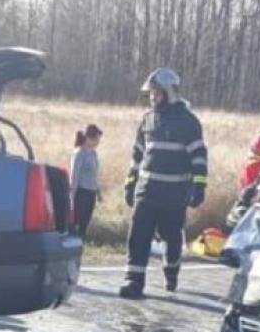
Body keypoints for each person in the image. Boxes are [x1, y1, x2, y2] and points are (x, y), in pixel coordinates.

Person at [119, 68, 209, 299]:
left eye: (157, 93)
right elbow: (137, 155)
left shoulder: (188, 122)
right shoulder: (148, 120)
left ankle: (171, 271)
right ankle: (133, 280)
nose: (153, 97)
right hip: (147, 191)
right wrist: (130, 183)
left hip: (174, 194)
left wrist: (199, 186)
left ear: (170, 93)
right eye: (151, 93)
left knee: (171, 236)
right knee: (138, 234)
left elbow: (198, 157)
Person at [70, 124, 103, 237]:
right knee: (77, 223)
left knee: (85, 224)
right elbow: (74, 176)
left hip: (91, 193)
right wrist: (71, 197)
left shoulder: (93, 154)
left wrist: (98, 192)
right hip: (81, 193)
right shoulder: (79, 154)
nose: (98, 142)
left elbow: (94, 175)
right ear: (89, 138)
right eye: (96, 139)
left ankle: (81, 242)